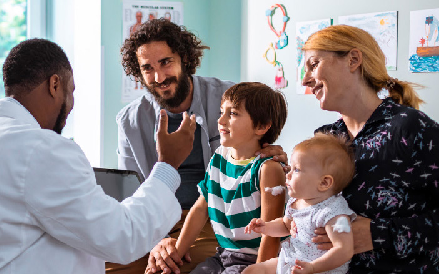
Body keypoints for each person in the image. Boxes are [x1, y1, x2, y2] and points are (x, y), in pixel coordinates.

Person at [0, 38, 197, 274]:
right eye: (71, 90)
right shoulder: (41, 149)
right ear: (54, 85)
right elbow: (123, 237)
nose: (71, 104)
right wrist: (168, 163)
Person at [114, 19, 287, 274]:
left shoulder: (231, 98)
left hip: (212, 220)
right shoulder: (130, 121)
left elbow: (259, 154)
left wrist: (277, 158)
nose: (159, 77)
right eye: (147, 68)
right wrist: (155, 239)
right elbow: (131, 194)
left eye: (166, 62)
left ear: (184, 58)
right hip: (154, 220)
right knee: (102, 266)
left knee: (169, 269)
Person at [301, 25, 439, 273]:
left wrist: (378, 234)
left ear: (353, 60)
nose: (305, 79)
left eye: (313, 64)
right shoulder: (326, 137)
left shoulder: (411, 129)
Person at [174, 82, 288, 273]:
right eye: (221, 112)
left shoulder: (268, 169)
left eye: (233, 113)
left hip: (255, 260)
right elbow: (201, 208)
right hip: (223, 255)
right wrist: (176, 255)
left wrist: (260, 270)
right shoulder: (220, 157)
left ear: (261, 126)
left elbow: (271, 235)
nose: (221, 120)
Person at [244, 133, 356, 274]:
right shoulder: (296, 202)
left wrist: (313, 267)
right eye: (291, 168)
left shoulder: (334, 212)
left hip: (319, 269)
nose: (288, 174)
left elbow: (344, 250)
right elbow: (285, 225)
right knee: (251, 271)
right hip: (292, 261)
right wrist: (265, 227)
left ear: (324, 183)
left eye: (297, 170)